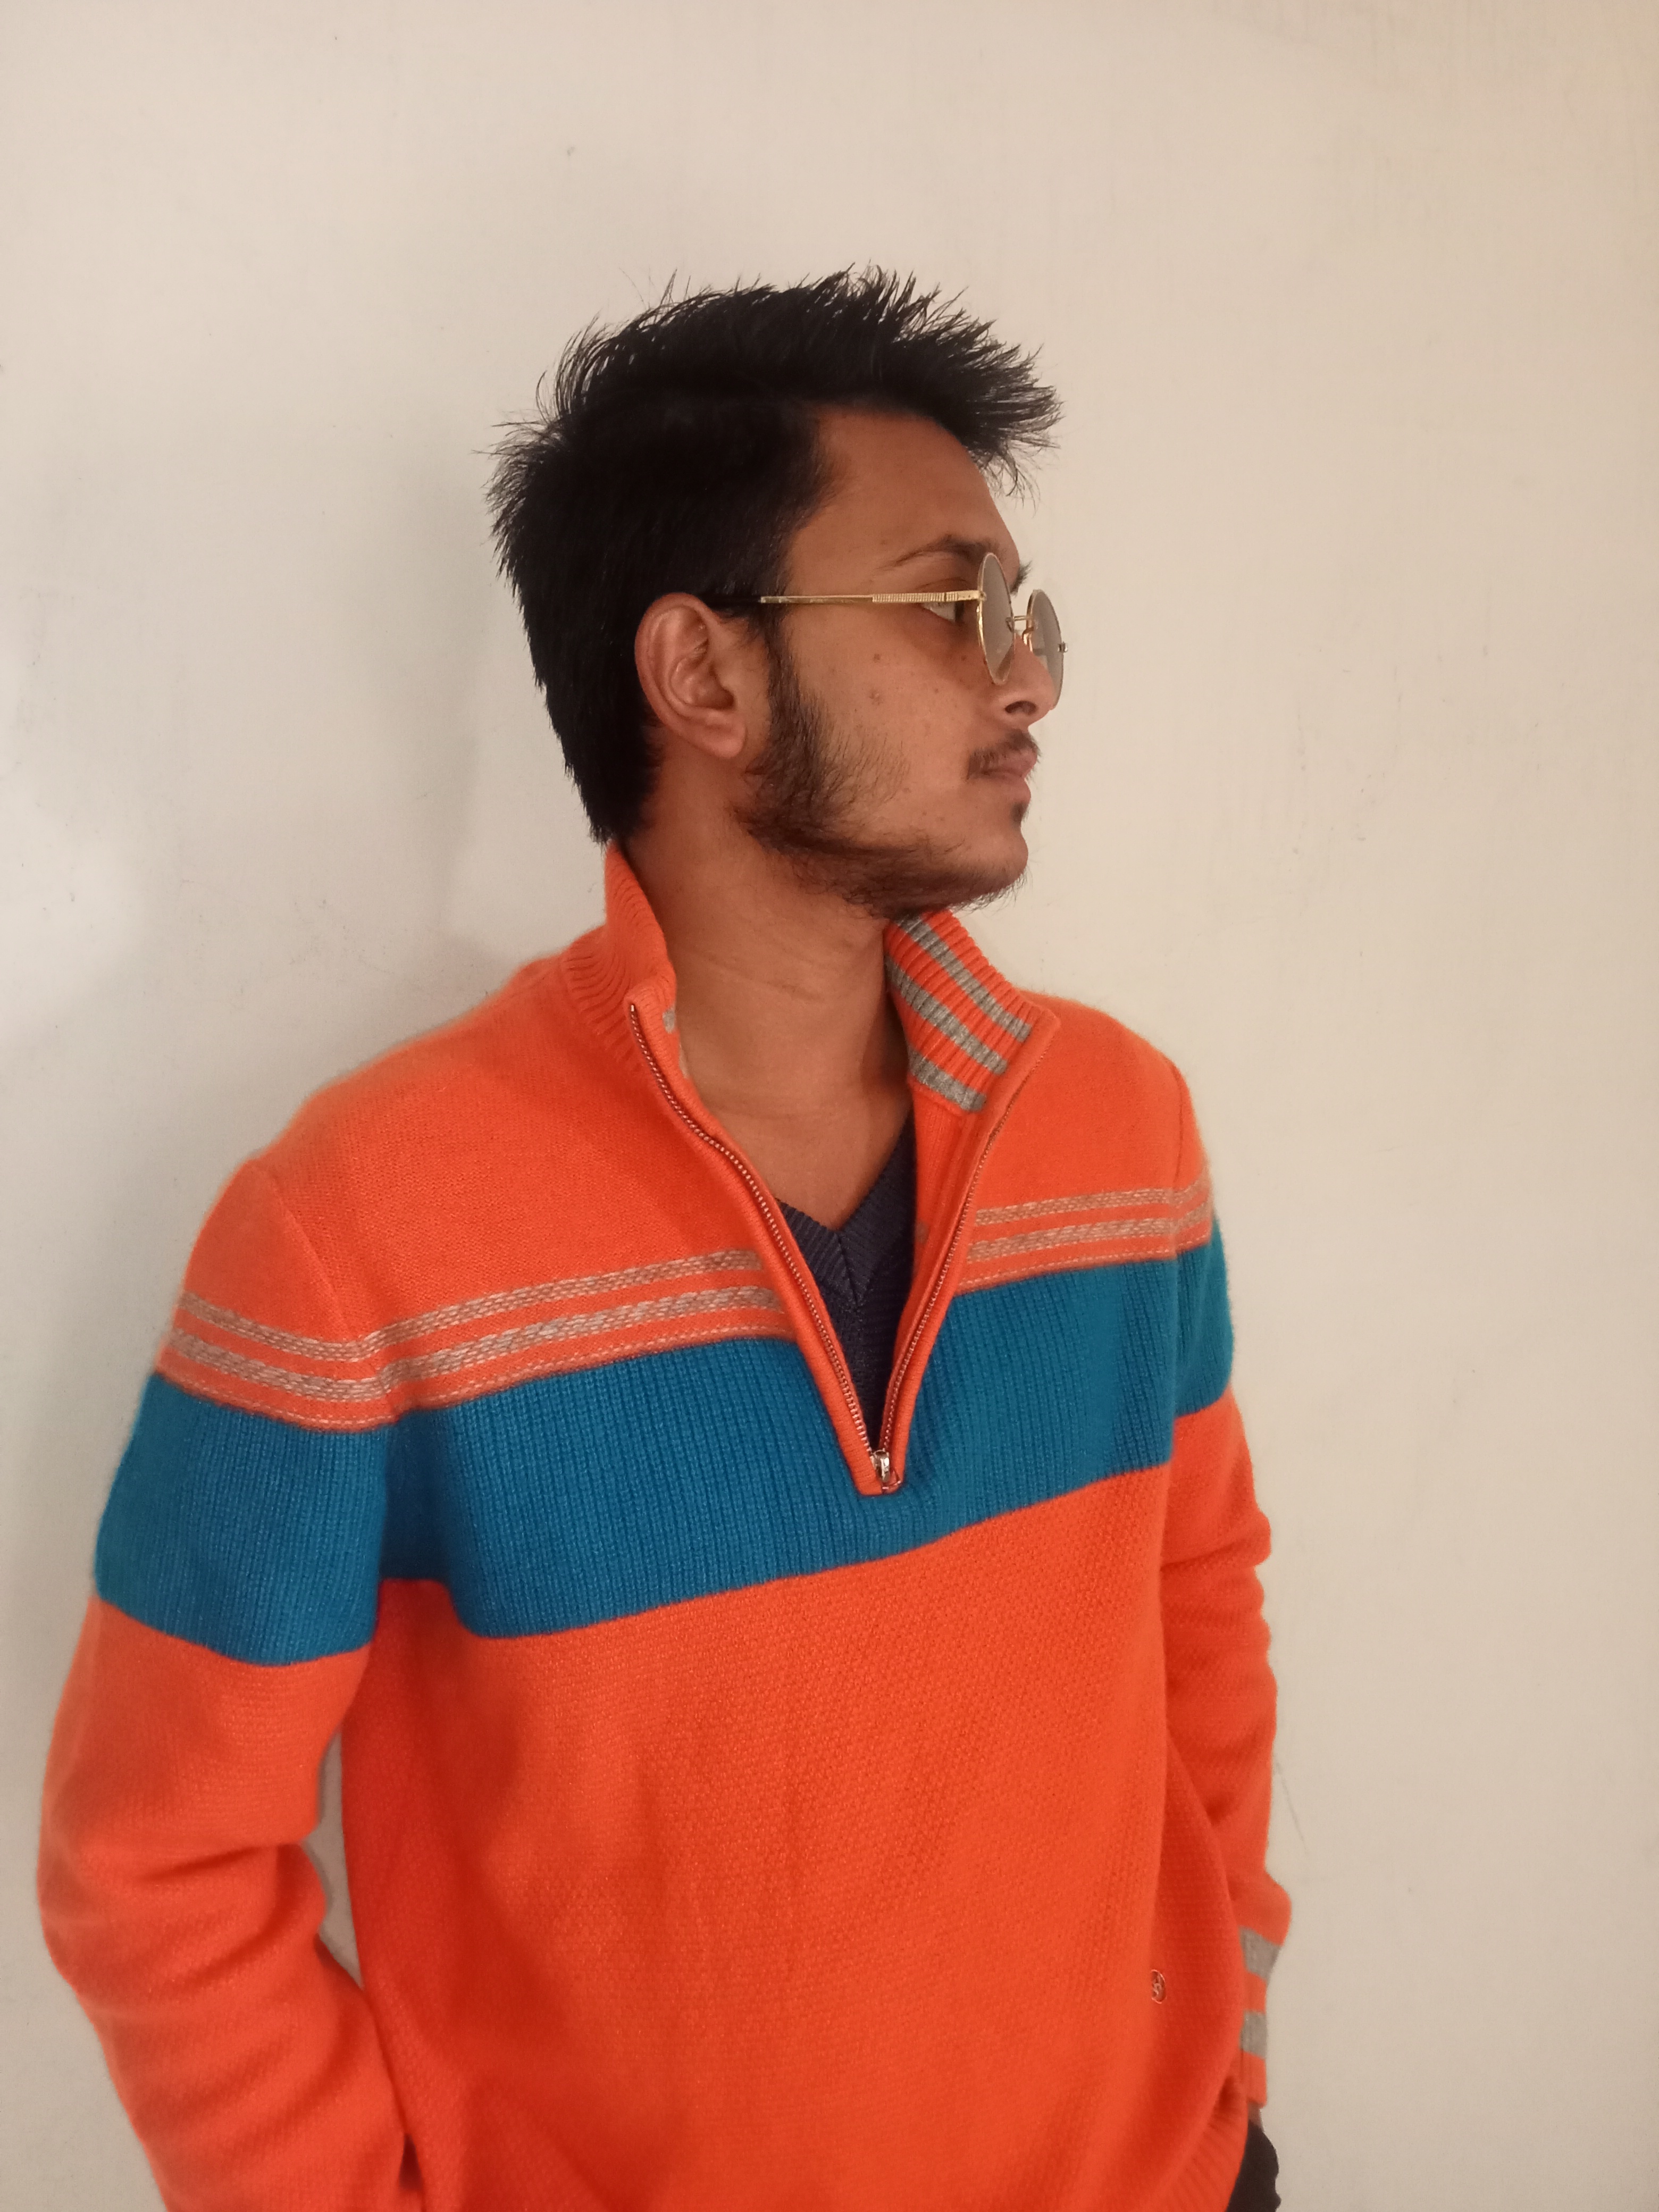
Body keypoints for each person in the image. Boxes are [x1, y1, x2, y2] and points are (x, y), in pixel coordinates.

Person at [39, 271, 1288, 2212]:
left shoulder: (1123, 1135)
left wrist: (1227, 2042)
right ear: (703, 676)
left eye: (1028, 616)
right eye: (953, 606)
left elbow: (1197, 1602)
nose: (1028, 679)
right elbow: (154, 1859)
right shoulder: (354, 1233)